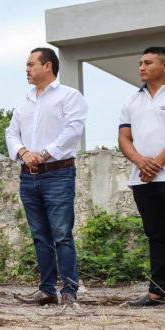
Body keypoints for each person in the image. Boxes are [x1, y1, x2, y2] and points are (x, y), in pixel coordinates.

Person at [7, 48, 87, 306]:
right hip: (28, 176)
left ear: (48, 66)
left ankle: (70, 290)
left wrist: (43, 153)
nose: (26, 69)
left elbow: (73, 129)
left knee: (62, 233)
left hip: (58, 172)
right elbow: (11, 133)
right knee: (39, 235)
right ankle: (47, 289)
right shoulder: (24, 102)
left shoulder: (69, 96)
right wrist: (23, 152)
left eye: (31, 64)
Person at [118, 46, 165, 307]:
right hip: (143, 179)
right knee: (156, 235)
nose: (141, 67)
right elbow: (124, 137)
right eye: (140, 63)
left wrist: (156, 163)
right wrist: (139, 161)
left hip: (159, 173)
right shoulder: (131, 100)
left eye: (148, 62)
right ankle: (157, 292)